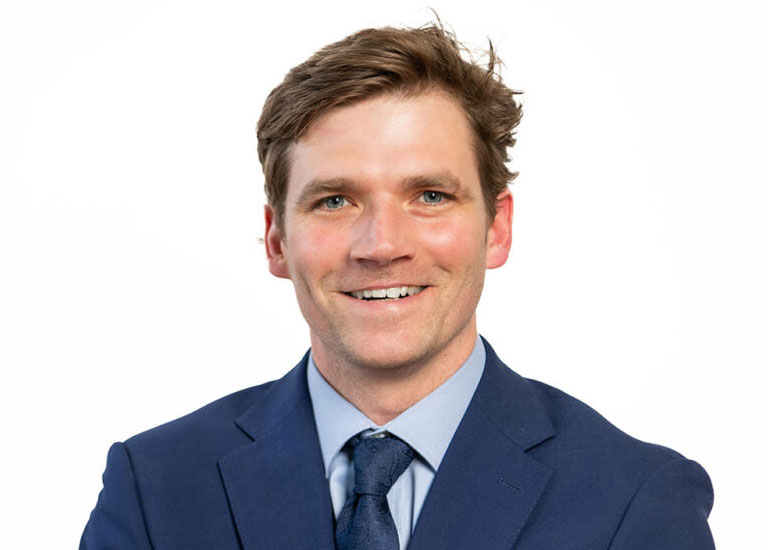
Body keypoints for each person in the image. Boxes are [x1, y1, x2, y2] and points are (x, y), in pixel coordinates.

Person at [80, 22, 715, 550]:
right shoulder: (155, 488)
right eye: (334, 200)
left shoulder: (636, 500)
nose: (382, 245)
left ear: (497, 229)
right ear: (277, 241)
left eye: (430, 195)